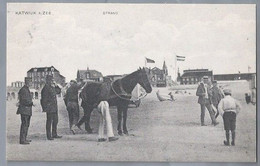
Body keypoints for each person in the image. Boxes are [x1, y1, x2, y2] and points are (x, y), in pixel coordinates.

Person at [40, 75, 62, 140]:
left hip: (54, 107)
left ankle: (54, 134)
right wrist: (44, 108)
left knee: (55, 121)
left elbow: (58, 91)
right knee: (49, 121)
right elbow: (43, 99)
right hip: (49, 108)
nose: (52, 81)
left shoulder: (52, 87)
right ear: (47, 80)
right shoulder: (45, 88)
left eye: (52, 80)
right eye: (51, 80)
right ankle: (49, 135)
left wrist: (56, 85)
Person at [16, 77, 34, 145]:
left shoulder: (25, 89)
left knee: (26, 125)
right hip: (24, 110)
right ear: (27, 82)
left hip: (26, 110)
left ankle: (24, 138)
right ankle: (22, 140)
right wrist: (31, 103)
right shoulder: (23, 90)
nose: (31, 83)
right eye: (30, 82)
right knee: (24, 124)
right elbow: (24, 100)